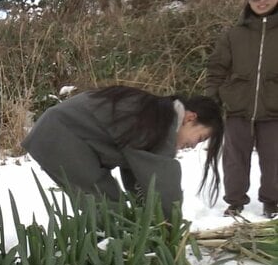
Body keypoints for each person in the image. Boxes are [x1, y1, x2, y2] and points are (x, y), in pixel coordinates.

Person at [21, 86, 224, 218]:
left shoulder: (157, 114)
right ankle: (111, 260)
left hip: (60, 132)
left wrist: (146, 212)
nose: (194, 145)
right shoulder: (159, 119)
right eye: (200, 138)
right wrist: (171, 226)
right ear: (190, 118)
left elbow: (138, 174)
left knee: (111, 207)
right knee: (107, 206)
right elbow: (162, 182)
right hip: (59, 135)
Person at [206, 0, 278, 218]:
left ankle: (272, 202)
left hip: (274, 108)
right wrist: (213, 98)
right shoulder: (233, 34)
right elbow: (217, 68)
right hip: (237, 107)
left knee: (274, 158)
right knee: (235, 158)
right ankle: (235, 201)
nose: (262, 0)